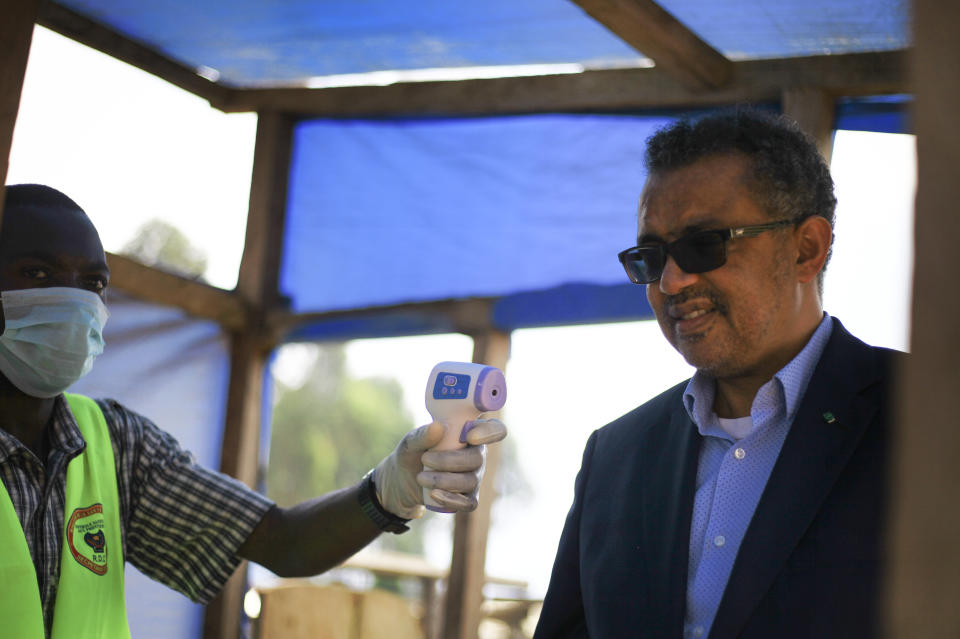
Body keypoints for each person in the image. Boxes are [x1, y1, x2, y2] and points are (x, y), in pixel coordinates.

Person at [0, 183, 507, 638]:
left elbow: (282, 543)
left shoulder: (113, 443)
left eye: (92, 284)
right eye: (39, 273)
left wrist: (389, 491)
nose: (74, 301)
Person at [534, 109, 900, 639]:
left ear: (806, 249)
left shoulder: (929, 418)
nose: (672, 283)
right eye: (651, 257)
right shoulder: (614, 457)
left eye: (704, 244)